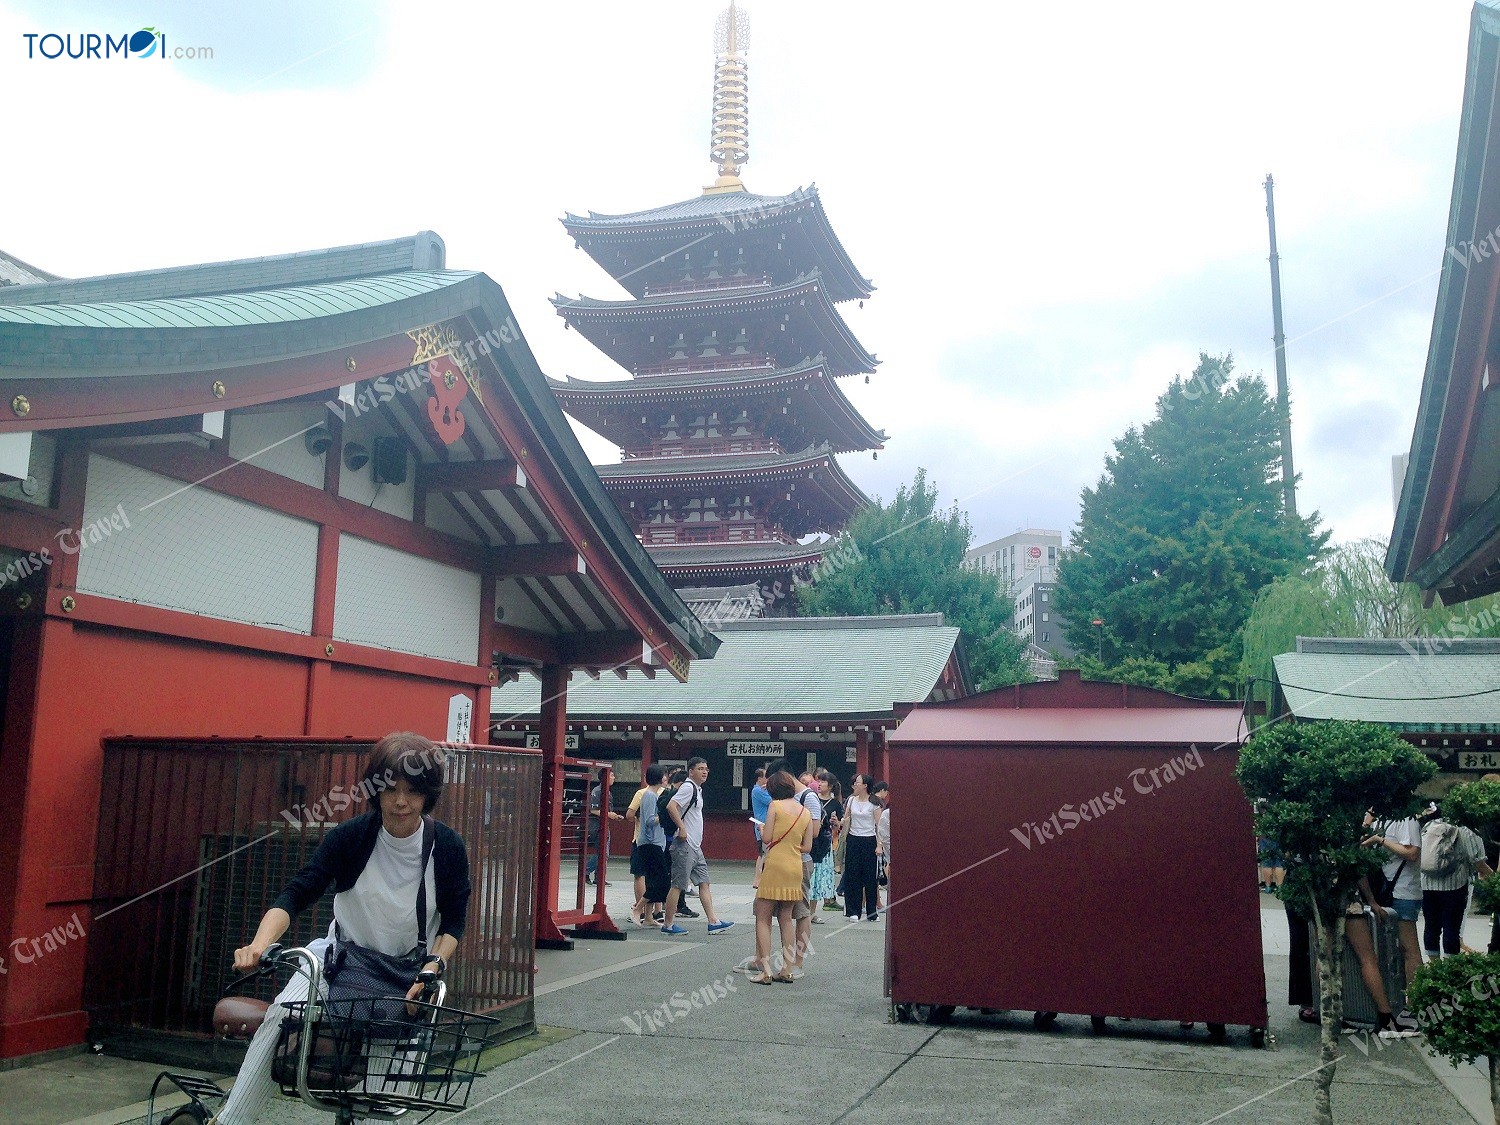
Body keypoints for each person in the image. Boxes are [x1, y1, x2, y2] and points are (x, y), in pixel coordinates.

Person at [214, 732, 472, 1125]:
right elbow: (298, 892)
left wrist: (433, 967)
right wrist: (259, 944)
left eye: (412, 791)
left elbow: (454, 921)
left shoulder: (447, 847)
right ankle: (229, 1121)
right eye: (390, 789)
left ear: (428, 794)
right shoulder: (352, 836)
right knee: (283, 1016)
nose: (400, 801)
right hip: (337, 958)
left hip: (407, 974)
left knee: (385, 1098)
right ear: (376, 791)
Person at [749, 771, 814, 984]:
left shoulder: (774, 807)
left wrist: (762, 828)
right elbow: (807, 846)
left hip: (776, 864)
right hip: (795, 866)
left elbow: (767, 838)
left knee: (763, 916)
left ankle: (765, 969)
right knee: (786, 918)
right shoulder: (804, 812)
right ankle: (787, 967)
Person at [660, 757, 733, 936]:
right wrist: (682, 828)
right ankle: (668, 924)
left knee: (704, 882)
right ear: (691, 771)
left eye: (706, 769)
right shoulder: (688, 787)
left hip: (694, 845)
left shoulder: (697, 789)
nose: (704, 772)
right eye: (700, 768)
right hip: (684, 844)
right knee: (678, 884)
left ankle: (713, 921)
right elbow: (671, 806)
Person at [1363, 810, 1423, 1021]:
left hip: (1403, 891)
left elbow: (1412, 852)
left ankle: (1414, 1005)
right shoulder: (1382, 818)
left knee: (1409, 949)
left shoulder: (1406, 819)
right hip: (1387, 889)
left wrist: (1380, 840)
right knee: (1396, 948)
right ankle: (1404, 1001)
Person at [1420, 807, 1495, 959]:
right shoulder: (1467, 830)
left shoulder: (1430, 825)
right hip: (1454, 885)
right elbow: (1478, 863)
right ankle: (1450, 967)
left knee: (1431, 927)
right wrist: (1494, 878)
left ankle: (1434, 967)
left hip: (1427, 884)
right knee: (1451, 928)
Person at [628, 765, 671, 927]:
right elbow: (650, 821)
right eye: (664, 776)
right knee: (661, 881)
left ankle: (648, 917)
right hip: (650, 843)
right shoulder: (650, 796)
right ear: (659, 778)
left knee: (654, 879)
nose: (666, 779)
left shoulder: (652, 795)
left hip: (655, 843)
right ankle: (638, 909)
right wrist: (664, 815)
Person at [841, 774, 880, 922]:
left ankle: (871, 911)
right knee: (852, 875)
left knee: (870, 877)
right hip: (853, 839)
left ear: (865, 785)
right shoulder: (851, 800)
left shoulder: (874, 803)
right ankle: (853, 911)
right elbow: (846, 818)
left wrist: (879, 845)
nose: (854, 785)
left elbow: (879, 826)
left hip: (869, 840)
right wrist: (839, 822)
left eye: (857, 783)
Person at [809, 770, 842, 923]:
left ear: (830, 786)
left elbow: (837, 828)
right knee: (809, 876)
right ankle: (804, 911)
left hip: (824, 844)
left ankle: (812, 912)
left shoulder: (835, 804)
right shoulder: (812, 798)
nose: (820, 784)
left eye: (823, 781)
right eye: (819, 781)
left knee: (818, 878)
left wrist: (836, 823)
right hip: (810, 841)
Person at [585, 769, 623, 886]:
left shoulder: (608, 792)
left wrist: (614, 816)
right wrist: (609, 814)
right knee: (602, 852)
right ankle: (586, 870)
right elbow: (594, 810)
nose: (613, 778)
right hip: (596, 824)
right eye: (612, 775)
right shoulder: (597, 791)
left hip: (604, 823)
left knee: (604, 852)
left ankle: (599, 877)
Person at [750, 767, 771, 890]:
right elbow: (771, 801)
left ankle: (758, 879)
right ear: (759, 778)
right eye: (765, 776)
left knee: (762, 853)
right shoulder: (757, 790)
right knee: (764, 853)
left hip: (763, 823)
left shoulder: (762, 790)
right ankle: (758, 879)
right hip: (762, 824)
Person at [873, 780, 891, 911]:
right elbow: (880, 828)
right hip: (876, 841)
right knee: (876, 874)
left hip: (875, 840)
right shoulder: (878, 803)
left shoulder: (873, 801)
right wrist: (880, 845)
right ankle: (877, 902)